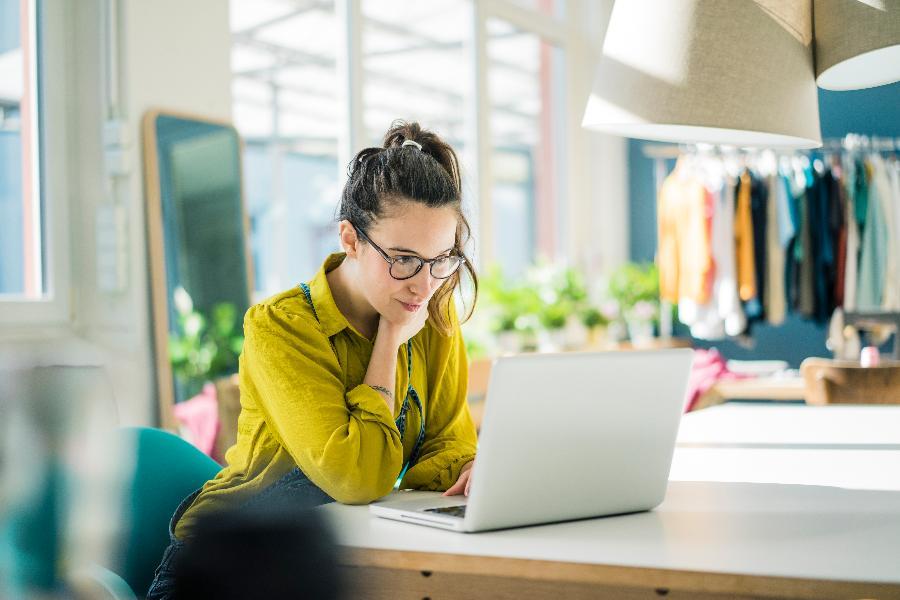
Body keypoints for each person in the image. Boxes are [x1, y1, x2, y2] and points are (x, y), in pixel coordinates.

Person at [147, 121, 479, 598]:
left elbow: (448, 447)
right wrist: (389, 340)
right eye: (403, 259)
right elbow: (358, 477)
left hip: (342, 554)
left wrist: (466, 470)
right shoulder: (280, 327)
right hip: (228, 568)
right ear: (350, 239)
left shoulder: (431, 316)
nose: (424, 285)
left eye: (441, 259)